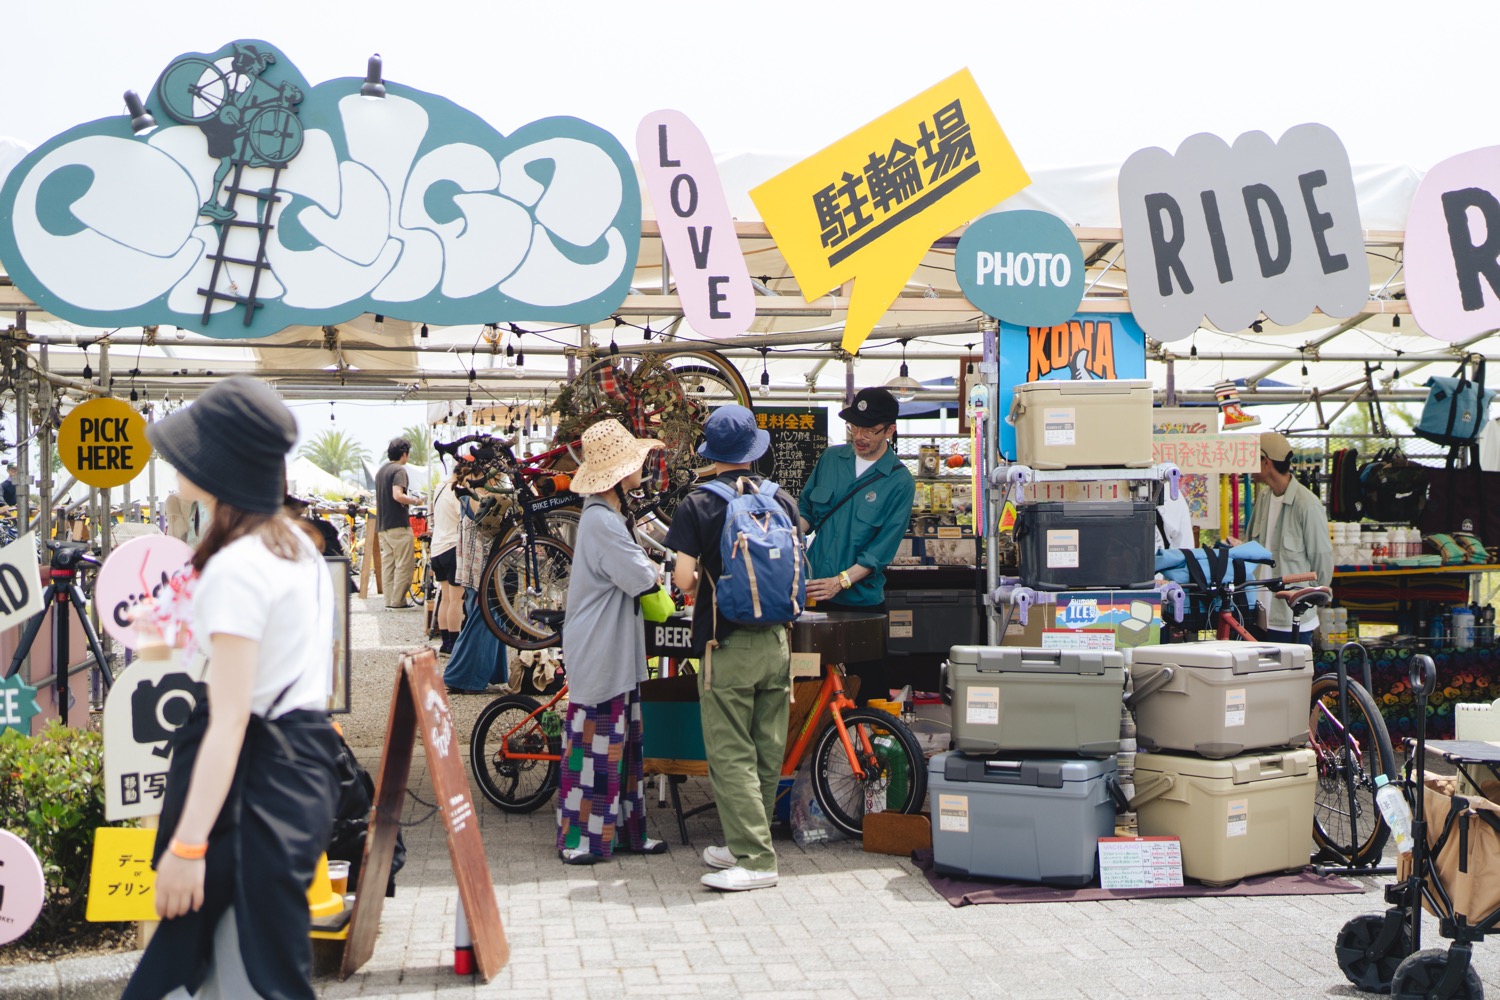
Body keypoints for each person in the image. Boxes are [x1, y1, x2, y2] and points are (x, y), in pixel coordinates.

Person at [122, 376, 339, 1000]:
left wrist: (188, 847)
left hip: (249, 794)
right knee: (241, 972)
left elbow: (231, 720)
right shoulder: (294, 547)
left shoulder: (239, 565)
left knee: (241, 978)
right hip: (292, 778)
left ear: (220, 463)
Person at [664, 405, 799, 893]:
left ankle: (757, 860)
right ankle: (744, 842)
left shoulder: (698, 503)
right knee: (766, 750)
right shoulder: (780, 498)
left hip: (727, 643)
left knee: (731, 754)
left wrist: (706, 575)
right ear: (753, 449)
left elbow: (684, 579)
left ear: (711, 452)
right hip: (778, 642)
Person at [554, 420, 668, 864]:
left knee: (620, 744)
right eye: (635, 461)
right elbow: (640, 576)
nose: (642, 466)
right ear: (619, 474)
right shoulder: (602, 521)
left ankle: (624, 834)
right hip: (600, 647)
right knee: (595, 744)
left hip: (611, 645)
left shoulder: (607, 515)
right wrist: (659, 570)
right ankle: (580, 841)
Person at [798, 386, 915, 704]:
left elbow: (881, 551)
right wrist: (783, 534)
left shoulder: (899, 481)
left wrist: (841, 581)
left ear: (889, 430)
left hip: (860, 604)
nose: (859, 436)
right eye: (854, 427)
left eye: (869, 430)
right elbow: (807, 512)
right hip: (813, 596)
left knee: (868, 691)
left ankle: (868, 737)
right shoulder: (831, 459)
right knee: (808, 688)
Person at [1248, 430, 1332, 644]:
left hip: (1292, 618)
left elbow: (1322, 560)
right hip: (1259, 614)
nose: (1247, 465)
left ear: (1266, 462)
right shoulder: (1263, 497)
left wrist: (1309, 598)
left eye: (1252, 458)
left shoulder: (1307, 504)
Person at [375, 438, 421, 610]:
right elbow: (397, 495)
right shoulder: (399, 470)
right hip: (398, 524)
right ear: (404, 454)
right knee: (404, 564)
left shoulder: (381, 471)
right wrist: (415, 501)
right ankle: (398, 601)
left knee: (389, 564)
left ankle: (389, 600)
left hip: (383, 525)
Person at [429, 464, 464, 655]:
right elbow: (464, 517)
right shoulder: (456, 491)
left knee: (445, 598)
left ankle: (445, 642)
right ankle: (455, 644)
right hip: (452, 547)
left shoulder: (440, 487)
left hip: (437, 548)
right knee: (456, 601)